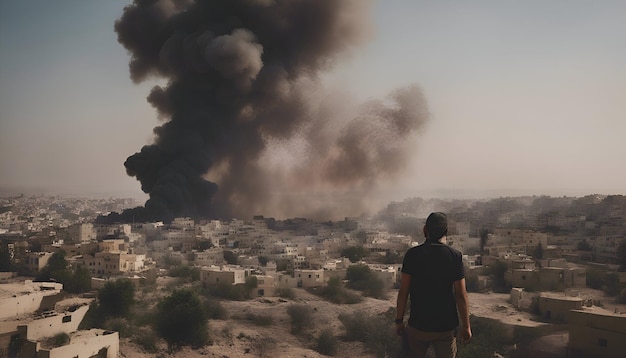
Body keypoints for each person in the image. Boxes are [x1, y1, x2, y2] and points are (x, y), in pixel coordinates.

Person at [395, 212, 471, 358]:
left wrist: (399, 321)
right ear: (446, 232)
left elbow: (403, 291)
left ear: (425, 230)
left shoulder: (412, 255)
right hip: (445, 328)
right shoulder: (455, 256)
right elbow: (461, 295)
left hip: (418, 325)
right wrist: (466, 326)